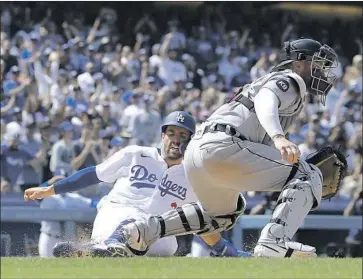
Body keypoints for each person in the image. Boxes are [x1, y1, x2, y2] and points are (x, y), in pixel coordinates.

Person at [59, 38, 341, 258]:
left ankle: (137, 232)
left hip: (200, 152)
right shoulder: (289, 80)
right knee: (307, 173)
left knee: (223, 213)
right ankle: (274, 243)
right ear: (301, 63)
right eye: (319, 64)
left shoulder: (280, 84)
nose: (324, 72)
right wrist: (278, 137)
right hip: (225, 145)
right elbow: (266, 100)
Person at [24, 111, 250, 258]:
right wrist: (51, 189)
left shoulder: (193, 176)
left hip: (156, 232)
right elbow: (94, 174)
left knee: (165, 244)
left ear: (190, 141)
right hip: (116, 212)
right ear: (162, 136)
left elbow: (198, 220)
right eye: (171, 132)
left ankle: (94, 251)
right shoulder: (135, 154)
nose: (176, 139)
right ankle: (105, 247)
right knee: (127, 225)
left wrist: (222, 248)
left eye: (182, 135)